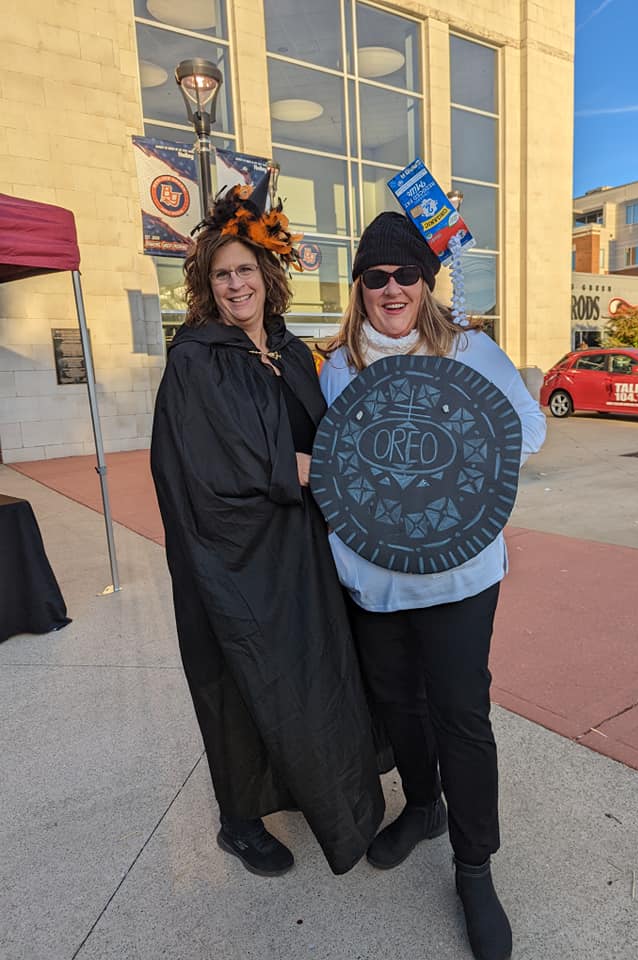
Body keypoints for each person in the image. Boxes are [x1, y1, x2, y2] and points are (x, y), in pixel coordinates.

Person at [318, 212, 547, 959]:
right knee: (396, 703)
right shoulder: (339, 365)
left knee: (460, 713)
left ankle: (474, 867)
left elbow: (527, 433)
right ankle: (422, 806)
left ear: (427, 281)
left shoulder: (470, 349)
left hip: (457, 572)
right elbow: (338, 465)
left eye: (404, 274)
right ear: (360, 287)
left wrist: (469, 428)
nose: (391, 289)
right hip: (371, 575)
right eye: (375, 276)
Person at [150, 179, 384, 878]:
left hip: (302, 552)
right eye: (221, 275)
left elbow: (331, 423)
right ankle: (238, 820)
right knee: (239, 680)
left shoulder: (288, 350)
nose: (234, 285)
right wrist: (298, 470)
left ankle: (329, 796)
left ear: (266, 274)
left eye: (245, 270)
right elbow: (201, 462)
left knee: (313, 675)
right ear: (205, 284)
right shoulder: (195, 359)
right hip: (231, 556)